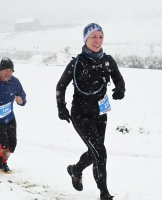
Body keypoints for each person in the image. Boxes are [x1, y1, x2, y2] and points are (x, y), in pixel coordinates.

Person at [56, 23, 126, 200]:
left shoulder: (107, 60)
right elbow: (61, 85)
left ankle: (76, 169)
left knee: (96, 151)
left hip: (100, 113)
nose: (97, 41)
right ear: (86, 39)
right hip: (81, 113)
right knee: (100, 152)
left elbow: (119, 79)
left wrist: (120, 89)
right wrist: (61, 107)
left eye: (100, 37)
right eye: (93, 37)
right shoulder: (77, 62)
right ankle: (104, 193)